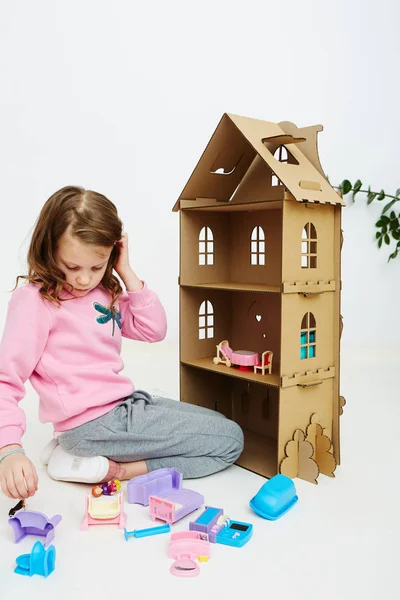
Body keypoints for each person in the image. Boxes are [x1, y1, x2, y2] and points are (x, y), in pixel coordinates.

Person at [0, 186, 244, 500]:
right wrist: (9, 449)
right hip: (95, 426)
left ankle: (72, 454)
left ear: (112, 254)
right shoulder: (36, 301)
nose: (84, 280)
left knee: (218, 423)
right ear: (49, 250)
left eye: (96, 266)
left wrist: (125, 271)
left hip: (124, 406)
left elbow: (153, 330)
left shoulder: (104, 292)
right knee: (231, 441)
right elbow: (6, 379)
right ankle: (119, 469)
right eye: (72, 267)